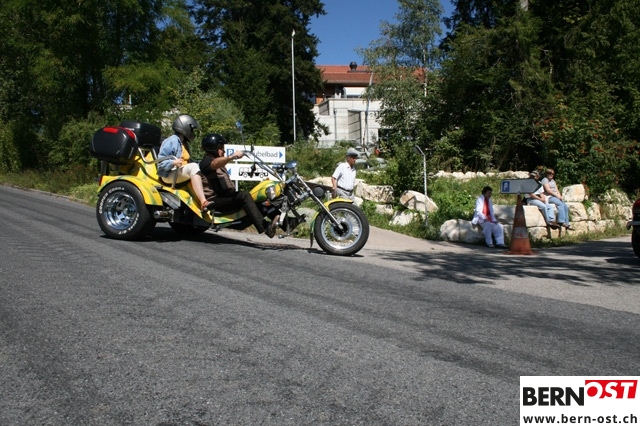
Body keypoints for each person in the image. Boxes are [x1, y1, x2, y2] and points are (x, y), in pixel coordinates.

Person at [198, 133, 278, 238]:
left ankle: (288, 223)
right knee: (243, 195)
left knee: (259, 196)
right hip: (214, 201)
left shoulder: (219, 162)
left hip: (226, 198)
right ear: (213, 148)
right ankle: (265, 227)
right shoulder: (206, 161)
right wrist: (232, 156)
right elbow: (214, 164)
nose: (224, 151)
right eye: (221, 148)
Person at [157, 114, 209, 211]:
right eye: (192, 129)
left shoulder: (183, 143)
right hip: (168, 174)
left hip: (178, 172)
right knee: (193, 167)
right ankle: (203, 201)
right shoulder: (172, 141)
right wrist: (173, 162)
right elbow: (160, 163)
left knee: (204, 168)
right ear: (185, 127)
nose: (192, 133)